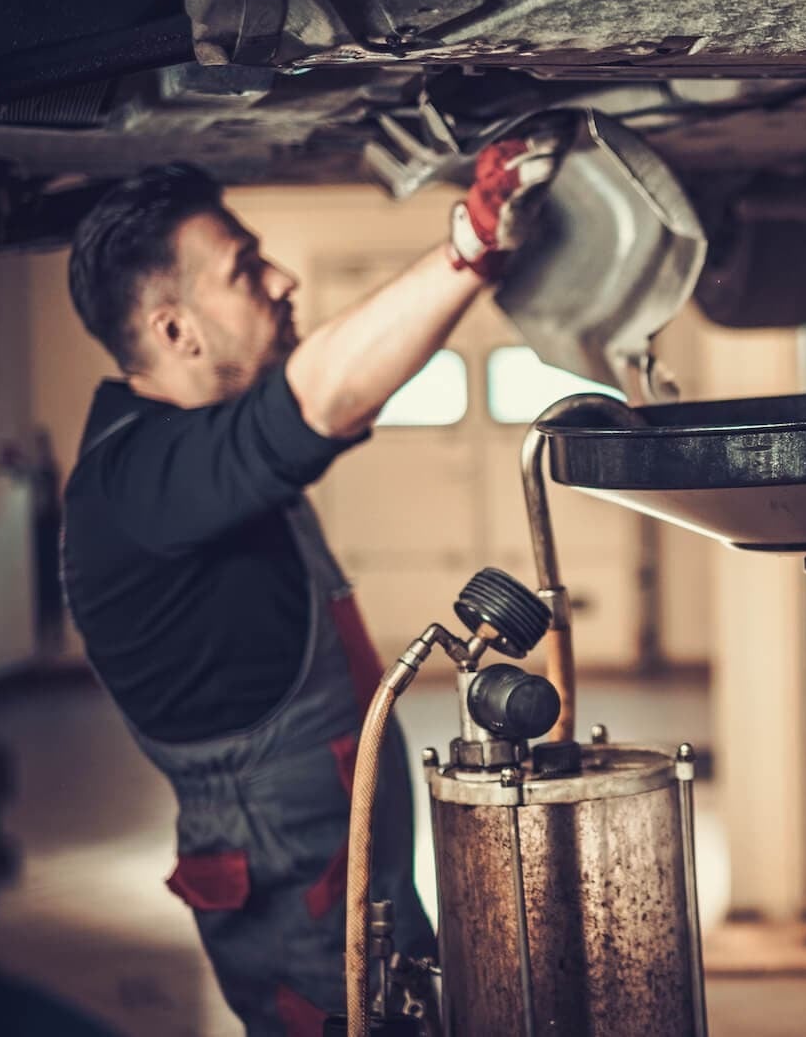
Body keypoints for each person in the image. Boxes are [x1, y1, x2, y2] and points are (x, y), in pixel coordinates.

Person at [58, 134, 560, 1035]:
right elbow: (316, 402)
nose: (283, 279)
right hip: (295, 883)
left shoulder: (192, 457)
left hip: (349, 851)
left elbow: (324, 405)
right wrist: (470, 243)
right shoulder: (136, 483)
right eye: (247, 269)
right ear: (176, 330)